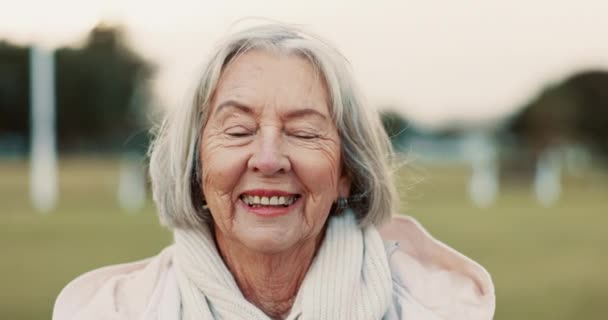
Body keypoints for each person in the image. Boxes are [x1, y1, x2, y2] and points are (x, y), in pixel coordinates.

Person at [53, 23, 495, 320]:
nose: (268, 159)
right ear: (195, 162)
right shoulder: (110, 311)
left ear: (347, 171)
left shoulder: (440, 307)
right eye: (239, 129)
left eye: (304, 133)